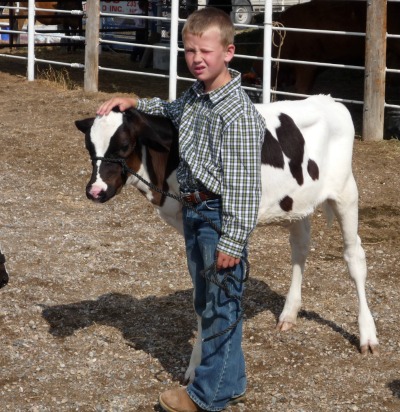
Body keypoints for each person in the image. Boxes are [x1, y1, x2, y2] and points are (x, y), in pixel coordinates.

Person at [97, 7, 265, 412]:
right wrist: (135, 101)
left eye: (204, 50)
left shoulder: (237, 114)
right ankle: (231, 381)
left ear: (229, 52)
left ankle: (207, 396)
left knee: (220, 303)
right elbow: (172, 110)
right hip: (194, 212)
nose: (196, 59)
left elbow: (245, 188)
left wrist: (233, 240)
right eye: (189, 50)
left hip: (218, 218)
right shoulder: (196, 96)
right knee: (210, 301)